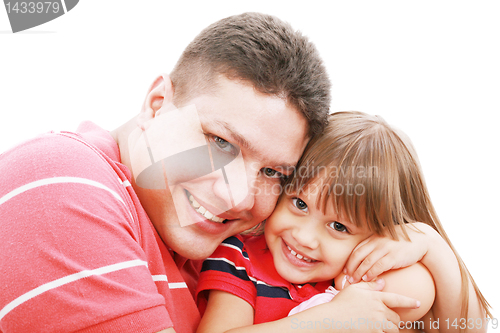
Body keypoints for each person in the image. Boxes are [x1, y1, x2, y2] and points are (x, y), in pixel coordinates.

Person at [0, 12, 420, 333]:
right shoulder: (64, 179)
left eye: (273, 172)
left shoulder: (213, 249)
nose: (238, 197)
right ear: (158, 102)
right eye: (220, 143)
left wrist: (430, 250)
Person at [196, 111, 492, 333]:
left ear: (376, 236)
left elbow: (466, 328)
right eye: (300, 204)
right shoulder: (240, 257)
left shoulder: (361, 278)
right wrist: (328, 321)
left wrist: (432, 246)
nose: (305, 238)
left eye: (339, 227)